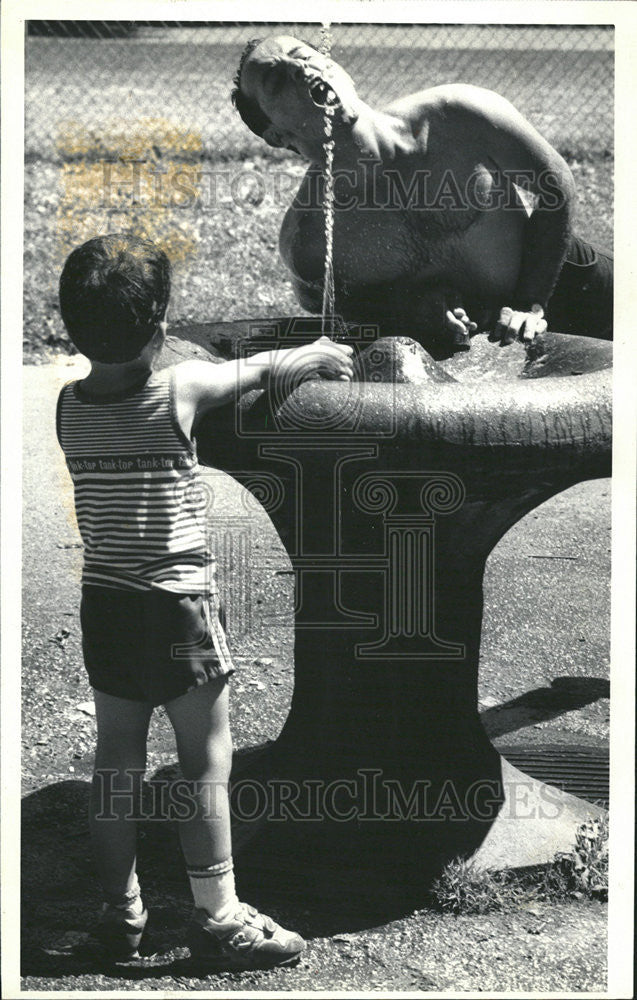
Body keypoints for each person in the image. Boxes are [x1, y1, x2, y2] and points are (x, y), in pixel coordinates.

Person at [56, 233, 354, 968]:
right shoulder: (178, 388)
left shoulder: (68, 406)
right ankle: (218, 916)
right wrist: (312, 354)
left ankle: (119, 913)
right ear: (160, 329)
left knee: (116, 762)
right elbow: (247, 373)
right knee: (202, 762)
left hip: (107, 606)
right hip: (179, 609)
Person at [232, 35, 613, 356]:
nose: (300, 70)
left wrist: (531, 301)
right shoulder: (310, 240)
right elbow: (343, 315)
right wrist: (408, 310)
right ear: (276, 136)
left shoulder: (458, 114)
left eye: (303, 57)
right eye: (277, 81)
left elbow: (555, 184)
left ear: (339, 70)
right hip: (466, 344)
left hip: (561, 279)